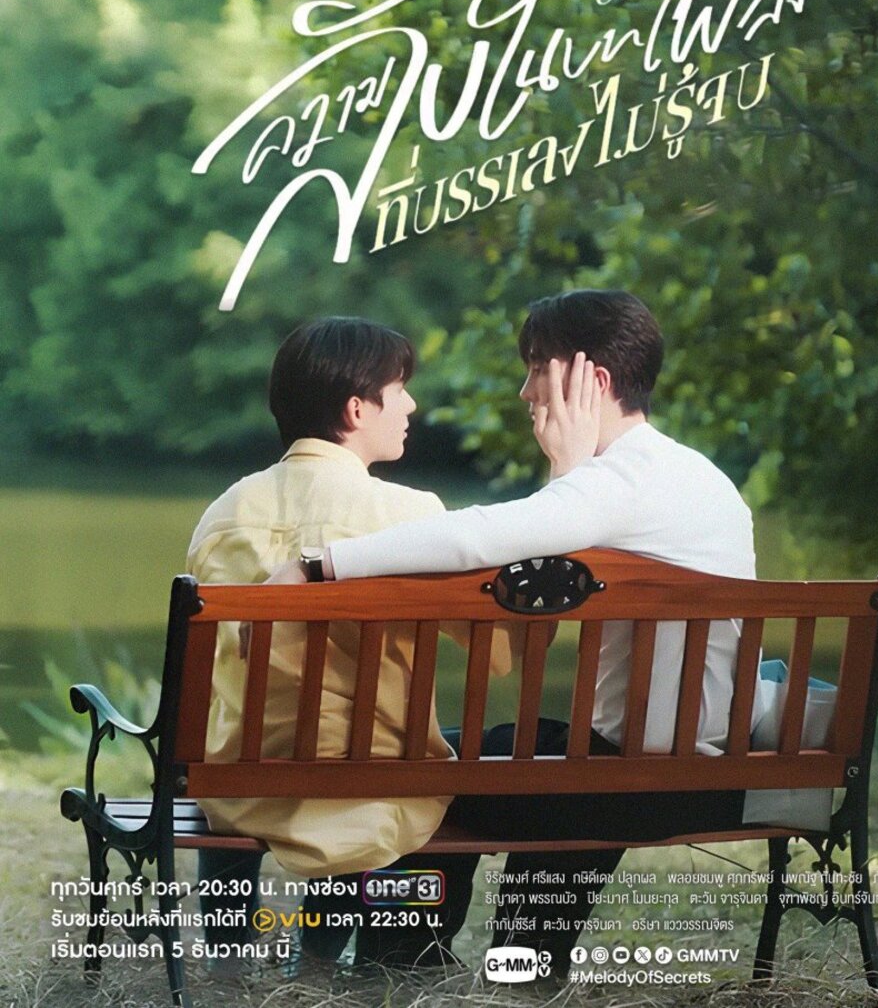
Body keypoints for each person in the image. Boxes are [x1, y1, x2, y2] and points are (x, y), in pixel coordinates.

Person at [269, 290, 756, 973]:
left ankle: (401, 963)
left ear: (592, 380)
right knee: (512, 751)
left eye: (536, 369)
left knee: (421, 767)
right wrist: (568, 474)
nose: (526, 391)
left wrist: (321, 564)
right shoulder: (691, 476)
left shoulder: (624, 482)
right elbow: (549, 542)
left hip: (635, 783)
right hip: (686, 772)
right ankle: (523, 961)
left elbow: (479, 537)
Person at [187, 316, 488, 968]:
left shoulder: (225, 511)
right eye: (400, 389)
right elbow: (487, 649)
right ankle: (318, 956)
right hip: (376, 783)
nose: (412, 405)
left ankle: (228, 955)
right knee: (363, 774)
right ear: (356, 409)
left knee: (240, 743)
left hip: (240, 779)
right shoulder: (412, 515)